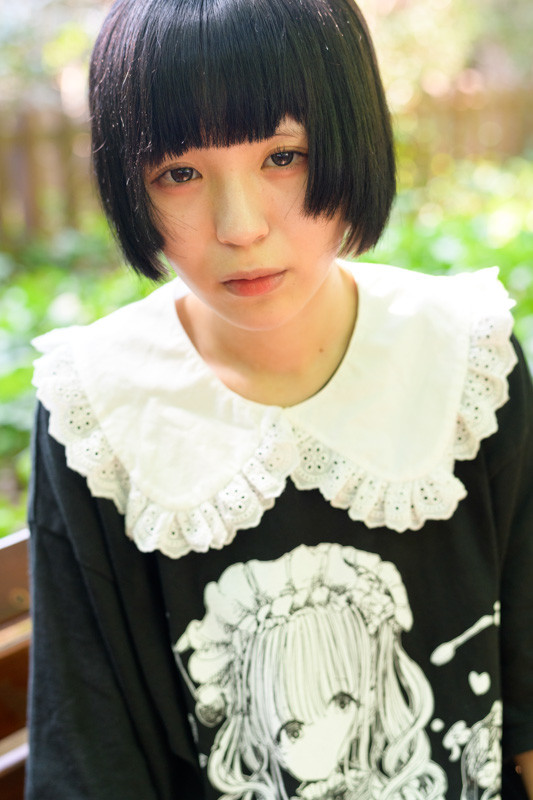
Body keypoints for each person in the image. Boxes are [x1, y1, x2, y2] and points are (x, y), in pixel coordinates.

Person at [26, 0, 533, 798]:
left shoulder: (463, 356)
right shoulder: (100, 404)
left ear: (351, 136)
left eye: (283, 156)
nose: (240, 227)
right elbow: (89, 752)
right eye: (180, 172)